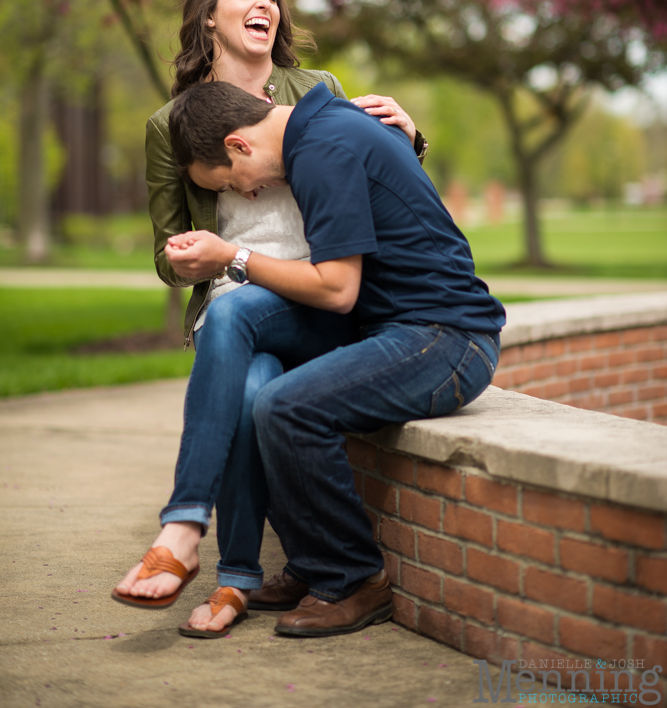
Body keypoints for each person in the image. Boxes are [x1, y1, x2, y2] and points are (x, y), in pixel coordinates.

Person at [112, 0, 427, 635]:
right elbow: (167, 250)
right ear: (208, 15)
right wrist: (184, 265)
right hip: (234, 292)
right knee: (252, 390)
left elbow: (366, 179)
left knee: (254, 364)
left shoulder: (316, 86)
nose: (265, 2)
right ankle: (236, 581)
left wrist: (410, 137)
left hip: (318, 292)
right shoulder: (169, 125)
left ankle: (193, 539)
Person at [147, 79, 506, 637]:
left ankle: (356, 579)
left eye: (228, 183)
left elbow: (337, 288)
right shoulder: (323, 128)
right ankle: (235, 538)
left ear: (240, 146)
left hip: (445, 338)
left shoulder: (322, 147)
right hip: (384, 325)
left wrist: (234, 255)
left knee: (287, 408)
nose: (244, 195)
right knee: (237, 329)